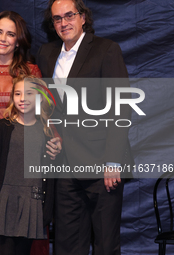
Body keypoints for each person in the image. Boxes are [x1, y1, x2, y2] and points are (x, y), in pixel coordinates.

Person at [36, 0, 134, 254]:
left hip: (103, 165)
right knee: (67, 244)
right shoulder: (47, 54)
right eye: (57, 18)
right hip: (66, 165)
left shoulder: (106, 49)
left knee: (105, 244)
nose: (63, 22)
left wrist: (113, 161)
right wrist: (51, 136)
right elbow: (47, 106)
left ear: (83, 18)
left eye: (69, 15)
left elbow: (119, 107)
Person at [0, 11, 60, 255]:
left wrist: (55, 142)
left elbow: (48, 114)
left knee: (27, 218)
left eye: (10, 34)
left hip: (26, 151)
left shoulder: (31, 71)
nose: (3, 38)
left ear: (18, 41)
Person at [0, 75, 59, 255]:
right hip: (6, 201)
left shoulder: (45, 130)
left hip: (32, 201)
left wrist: (46, 210)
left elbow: (49, 173)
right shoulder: (3, 127)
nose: (22, 98)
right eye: (17, 93)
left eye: (29, 93)